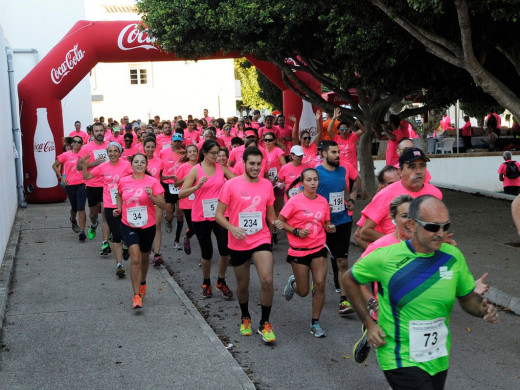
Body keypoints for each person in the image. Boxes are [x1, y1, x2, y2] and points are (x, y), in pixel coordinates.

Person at [345, 195, 499, 390]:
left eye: (446, 226)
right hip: (398, 355)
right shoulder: (386, 258)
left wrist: (482, 309)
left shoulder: (453, 257)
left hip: (437, 356)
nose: (441, 233)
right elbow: (349, 278)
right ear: (412, 225)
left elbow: (467, 298)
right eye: (433, 227)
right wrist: (369, 323)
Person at [215, 147, 278, 343]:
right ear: (243, 163)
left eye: (259, 164)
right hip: (238, 240)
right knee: (243, 285)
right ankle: (245, 317)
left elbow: (271, 214)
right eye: (252, 163)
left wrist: (276, 223)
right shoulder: (231, 185)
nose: (255, 167)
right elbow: (218, 215)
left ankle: (265, 323)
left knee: (267, 280)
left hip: (261, 238)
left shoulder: (267, 185)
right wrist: (232, 228)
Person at [276, 168, 335, 338]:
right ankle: (293, 284)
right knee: (303, 291)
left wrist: (329, 227)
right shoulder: (294, 201)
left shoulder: (323, 201)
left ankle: (315, 322)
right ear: (302, 183)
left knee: (320, 284)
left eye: (315, 179)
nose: (313, 183)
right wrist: (295, 231)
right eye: (308, 180)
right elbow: (280, 221)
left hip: (318, 248)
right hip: (299, 250)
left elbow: (326, 223)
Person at [179, 140, 235, 299]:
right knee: (207, 252)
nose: (217, 156)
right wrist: (196, 187)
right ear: (204, 153)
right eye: (213, 153)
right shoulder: (196, 171)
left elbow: (237, 181)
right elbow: (181, 194)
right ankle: (206, 282)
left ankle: (221, 281)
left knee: (225, 249)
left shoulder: (221, 168)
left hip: (220, 214)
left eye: (218, 153)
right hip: (201, 216)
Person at [115, 153, 166, 309]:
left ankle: (143, 281)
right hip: (128, 223)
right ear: (132, 165)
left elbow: (163, 205)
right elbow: (119, 195)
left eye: (142, 162)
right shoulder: (124, 181)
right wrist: (119, 208)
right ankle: (136, 295)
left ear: (146, 165)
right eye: (136, 162)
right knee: (135, 257)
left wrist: (152, 196)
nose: (139, 164)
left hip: (147, 225)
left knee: (144, 258)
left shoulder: (153, 182)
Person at [360, 148, 442, 243]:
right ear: (400, 171)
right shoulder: (385, 194)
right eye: (412, 167)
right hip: (395, 255)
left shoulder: (435, 193)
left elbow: (437, 226)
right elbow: (364, 232)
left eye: (422, 166)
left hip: (426, 254)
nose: (418, 171)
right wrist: (399, 244)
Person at [316, 141, 357, 315]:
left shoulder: (342, 170)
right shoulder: (316, 173)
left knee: (342, 261)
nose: (337, 155)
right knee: (320, 263)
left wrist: (351, 199)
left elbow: (345, 188)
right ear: (324, 154)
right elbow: (305, 195)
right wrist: (321, 209)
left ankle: (344, 300)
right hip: (322, 224)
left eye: (338, 152)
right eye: (333, 152)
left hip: (342, 221)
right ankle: (313, 284)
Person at [82, 142, 132, 274]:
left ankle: (126, 243)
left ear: (120, 153)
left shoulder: (127, 165)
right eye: (110, 151)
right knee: (116, 234)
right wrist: (85, 165)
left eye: (116, 151)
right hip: (110, 204)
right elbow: (86, 177)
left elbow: (139, 176)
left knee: (125, 231)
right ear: (107, 153)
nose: (113, 154)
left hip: (126, 203)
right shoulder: (103, 167)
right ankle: (119, 265)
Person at [77, 122, 110, 248]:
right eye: (96, 131)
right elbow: (79, 166)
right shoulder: (86, 148)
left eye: (101, 130)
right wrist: (93, 163)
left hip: (107, 184)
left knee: (106, 215)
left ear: (104, 131)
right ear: (92, 133)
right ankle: (94, 224)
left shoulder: (110, 146)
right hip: (92, 184)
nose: (99, 133)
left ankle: (105, 243)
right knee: (93, 214)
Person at [353, 165, 400, 250]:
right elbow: (358, 235)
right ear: (382, 185)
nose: (396, 187)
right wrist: (376, 254)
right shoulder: (379, 200)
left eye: (399, 182)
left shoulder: (407, 197)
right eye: (391, 184)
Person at [53, 136, 87, 240]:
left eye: (79, 142)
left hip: (82, 184)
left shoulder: (84, 155)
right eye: (75, 141)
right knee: (75, 207)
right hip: (70, 185)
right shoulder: (66, 155)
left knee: (81, 207)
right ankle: (73, 219)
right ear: (71, 144)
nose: (77, 143)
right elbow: (54, 165)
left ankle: (82, 231)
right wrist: (61, 177)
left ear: (82, 144)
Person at [159, 133, 186, 247]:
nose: (176, 143)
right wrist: (161, 178)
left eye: (179, 141)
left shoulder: (184, 153)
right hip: (167, 185)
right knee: (170, 216)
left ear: (181, 142)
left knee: (180, 215)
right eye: (175, 141)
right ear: (171, 141)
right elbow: (159, 167)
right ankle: (169, 221)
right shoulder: (163, 152)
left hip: (180, 185)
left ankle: (177, 239)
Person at [174, 145, 198, 255]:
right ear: (187, 154)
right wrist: (185, 179)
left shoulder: (201, 166)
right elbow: (176, 184)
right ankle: (187, 237)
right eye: (190, 152)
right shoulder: (183, 167)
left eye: (194, 151)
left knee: (201, 227)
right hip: (187, 201)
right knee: (193, 227)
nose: (192, 153)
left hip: (199, 200)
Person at [327, 107, 365, 172]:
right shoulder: (336, 137)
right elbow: (329, 130)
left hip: (352, 168)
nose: (344, 132)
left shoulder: (352, 136)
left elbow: (363, 130)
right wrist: (334, 118)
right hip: (340, 169)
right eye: (342, 130)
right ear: (338, 131)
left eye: (346, 129)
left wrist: (359, 125)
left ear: (349, 130)